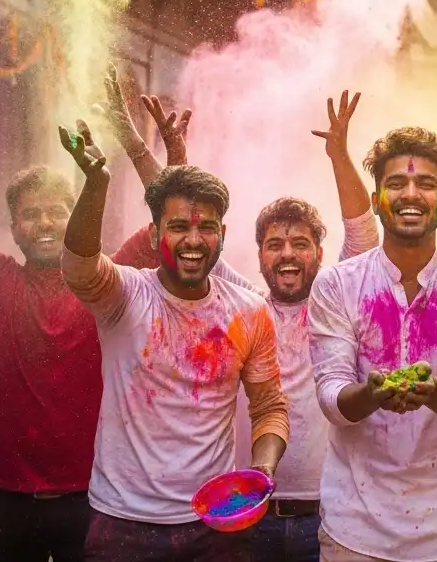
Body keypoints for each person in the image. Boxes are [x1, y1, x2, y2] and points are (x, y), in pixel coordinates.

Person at [0, 41, 216, 562]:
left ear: (80, 214)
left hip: (92, 497)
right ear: (13, 227)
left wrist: (143, 147)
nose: (48, 223)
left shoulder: (107, 281)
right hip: (6, 500)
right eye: (32, 214)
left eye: (60, 210)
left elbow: (161, 224)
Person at [58, 124, 289, 562]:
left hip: (217, 525)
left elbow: (270, 408)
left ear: (222, 234)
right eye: (179, 226)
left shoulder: (249, 312)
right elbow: (78, 267)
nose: (193, 241)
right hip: (122, 524)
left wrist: (262, 469)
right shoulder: (123, 295)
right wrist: (96, 185)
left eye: (207, 229)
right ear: (152, 235)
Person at [308, 126, 437, 562]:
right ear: (377, 199)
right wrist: (371, 393)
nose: (410, 194)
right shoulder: (337, 284)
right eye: (396, 183)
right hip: (353, 533)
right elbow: (331, 399)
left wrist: (434, 393)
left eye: (426, 184)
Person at [231, 93, 381, 562]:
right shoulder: (241, 308)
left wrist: (339, 156)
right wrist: (174, 164)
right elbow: (195, 247)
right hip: (249, 512)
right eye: (274, 244)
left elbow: (364, 235)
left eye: (301, 243)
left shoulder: (333, 301)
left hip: (331, 513)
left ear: (319, 253)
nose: (288, 254)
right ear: (259, 257)